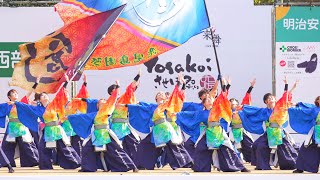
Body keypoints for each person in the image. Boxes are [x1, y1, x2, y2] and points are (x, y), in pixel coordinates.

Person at [69, 80, 138, 172]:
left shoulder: (107, 110)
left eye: (103, 102)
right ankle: (88, 168)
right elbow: (82, 116)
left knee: (115, 150)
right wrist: (69, 117)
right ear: (97, 105)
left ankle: (130, 166)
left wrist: (118, 87)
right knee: (87, 147)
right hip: (96, 134)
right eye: (99, 102)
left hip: (106, 134)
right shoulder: (95, 114)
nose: (101, 103)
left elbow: (113, 99)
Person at [15, 75, 81, 170]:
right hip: (47, 130)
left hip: (57, 129)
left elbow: (60, 94)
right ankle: (45, 166)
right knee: (43, 148)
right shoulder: (38, 109)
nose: (44, 96)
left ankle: (74, 163)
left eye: (45, 95)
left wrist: (66, 82)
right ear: (40, 99)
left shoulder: (53, 104)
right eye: (42, 95)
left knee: (64, 147)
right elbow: (26, 107)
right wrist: (16, 103)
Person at [128, 74, 193, 170]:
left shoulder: (167, 104)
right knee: (145, 145)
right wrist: (127, 106)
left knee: (173, 146)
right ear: (156, 98)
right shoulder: (152, 106)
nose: (160, 94)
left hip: (165, 129)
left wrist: (179, 84)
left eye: (162, 94)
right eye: (158, 94)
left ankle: (186, 163)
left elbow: (176, 96)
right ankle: (142, 164)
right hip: (156, 130)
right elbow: (140, 107)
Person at [189, 78, 249, 172]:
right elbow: (190, 116)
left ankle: (239, 167)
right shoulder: (201, 112)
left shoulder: (216, 108)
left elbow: (222, 97)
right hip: (207, 132)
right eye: (206, 99)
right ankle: (200, 168)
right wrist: (177, 115)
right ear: (203, 103)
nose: (209, 100)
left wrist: (225, 86)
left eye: (210, 99)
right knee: (200, 148)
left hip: (219, 132)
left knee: (228, 148)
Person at [238, 77, 298, 170]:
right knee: (258, 146)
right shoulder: (264, 111)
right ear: (266, 102)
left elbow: (285, 98)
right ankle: (262, 166)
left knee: (287, 148)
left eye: (272, 97)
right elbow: (252, 110)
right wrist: (243, 107)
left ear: (275, 99)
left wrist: (288, 86)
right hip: (268, 133)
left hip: (279, 133)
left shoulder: (279, 107)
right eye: (268, 98)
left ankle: (292, 164)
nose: (270, 99)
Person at [0, 79, 40, 170]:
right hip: (11, 128)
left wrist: (36, 82)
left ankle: (31, 162)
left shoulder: (21, 103)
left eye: (16, 93)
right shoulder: (6, 105)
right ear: (9, 97)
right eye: (13, 94)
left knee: (27, 145)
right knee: (7, 146)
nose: (16, 95)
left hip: (22, 127)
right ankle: (7, 163)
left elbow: (29, 93)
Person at [110, 70, 141, 162]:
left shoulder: (122, 99)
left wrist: (137, 77)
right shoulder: (107, 102)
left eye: (118, 89)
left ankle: (136, 163)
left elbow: (130, 89)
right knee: (113, 147)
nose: (117, 91)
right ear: (111, 92)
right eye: (115, 89)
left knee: (133, 143)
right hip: (112, 128)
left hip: (124, 127)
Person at [289, 96, 320, 173]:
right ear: (318, 101)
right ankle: (300, 168)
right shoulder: (314, 109)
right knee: (304, 149)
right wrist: (292, 107)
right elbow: (304, 109)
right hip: (316, 134)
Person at [228, 78, 256, 162]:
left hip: (242, 131)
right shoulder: (227, 112)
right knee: (232, 147)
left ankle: (252, 160)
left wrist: (251, 87)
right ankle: (236, 161)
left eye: (235, 103)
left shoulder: (240, 109)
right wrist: (227, 86)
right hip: (232, 132)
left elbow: (246, 99)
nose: (234, 104)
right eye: (232, 103)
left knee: (249, 145)